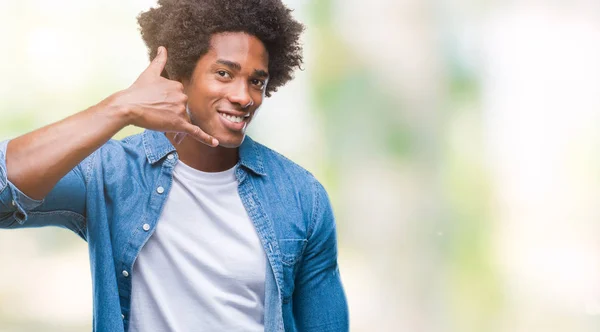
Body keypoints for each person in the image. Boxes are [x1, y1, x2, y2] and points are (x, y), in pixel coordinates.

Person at [0, 0, 349, 331]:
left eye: (256, 81)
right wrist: (119, 109)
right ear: (179, 76)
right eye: (224, 74)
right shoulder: (111, 173)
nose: (244, 97)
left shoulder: (302, 197)